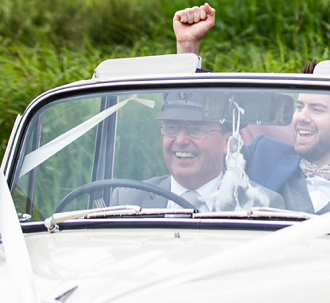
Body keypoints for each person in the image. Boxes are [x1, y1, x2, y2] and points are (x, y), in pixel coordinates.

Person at [172, 5, 330, 214]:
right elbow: (198, 133)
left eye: (317, 109)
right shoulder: (261, 154)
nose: (302, 117)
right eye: (299, 106)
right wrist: (188, 47)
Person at [111, 91, 284, 212]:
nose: (180, 140)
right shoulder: (128, 200)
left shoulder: (260, 205)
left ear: (229, 143)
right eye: (172, 127)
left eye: (196, 129)